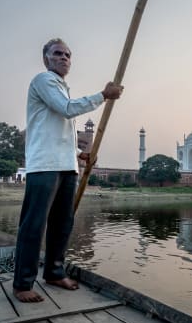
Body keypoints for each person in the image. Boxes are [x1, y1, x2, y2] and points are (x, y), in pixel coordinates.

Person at [12, 37, 123, 303]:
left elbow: (58, 133)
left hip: (66, 166)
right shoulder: (43, 80)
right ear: (46, 59)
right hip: (44, 167)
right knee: (34, 225)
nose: (63, 58)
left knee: (63, 223)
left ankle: (53, 272)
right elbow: (66, 109)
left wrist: (80, 154)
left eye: (67, 55)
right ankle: (22, 283)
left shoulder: (62, 87)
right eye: (57, 53)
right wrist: (103, 96)